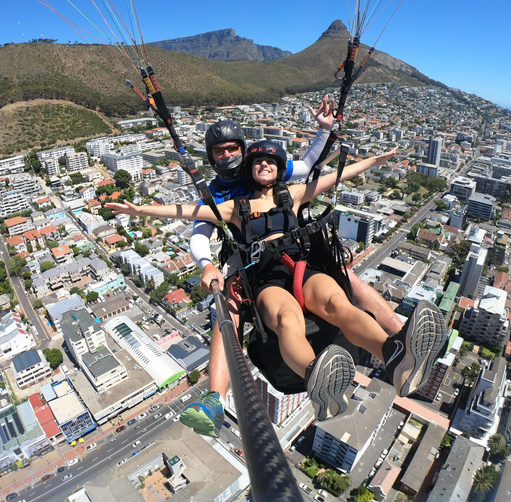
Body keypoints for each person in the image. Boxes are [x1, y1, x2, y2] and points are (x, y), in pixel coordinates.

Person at [105, 141, 448, 425]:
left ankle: (394, 354)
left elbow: (335, 176)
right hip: (265, 280)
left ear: (279, 168)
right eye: (258, 161)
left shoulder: (293, 195)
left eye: (271, 160)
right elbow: (187, 212)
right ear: (251, 170)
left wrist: (376, 159)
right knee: (288, 321)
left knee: (338, 304)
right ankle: (317, 377)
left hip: (301, 270)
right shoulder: (235, 209)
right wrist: (139, 211)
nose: (265, 164)